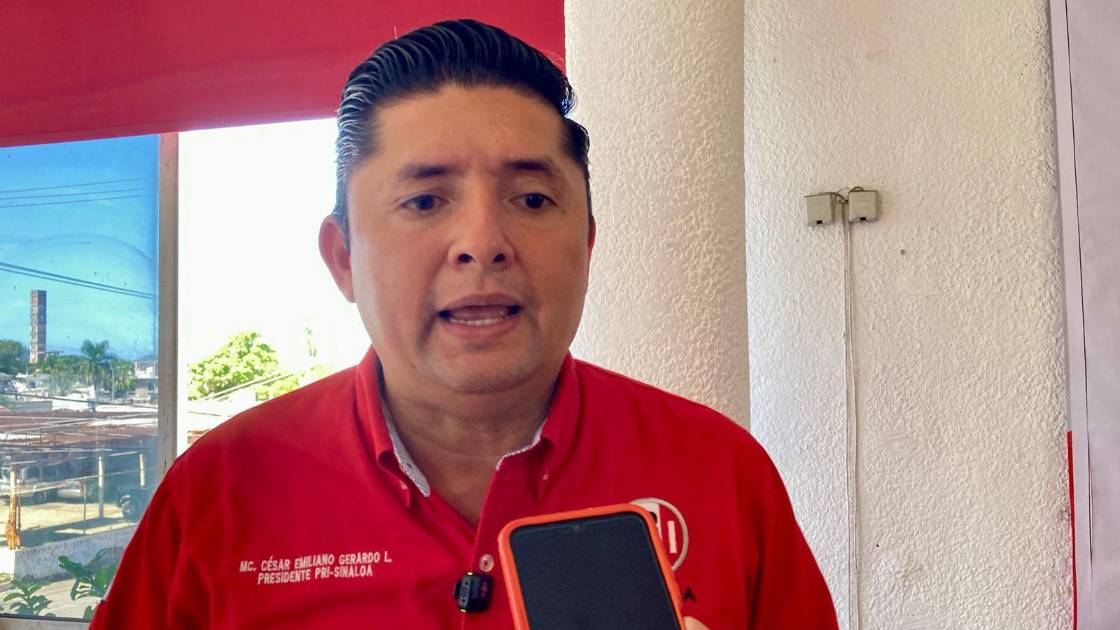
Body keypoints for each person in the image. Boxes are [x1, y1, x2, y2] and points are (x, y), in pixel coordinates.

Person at [91, 19, 837, 629]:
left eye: (532, 199)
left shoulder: (720, 472)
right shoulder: (220, 490)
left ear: (586, 244)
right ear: (344, 257)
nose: (483, 241)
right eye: (425, 201)